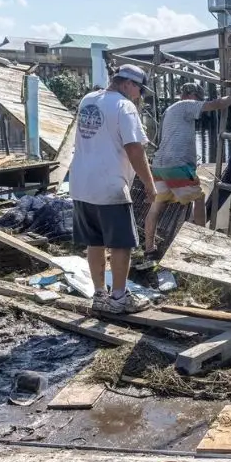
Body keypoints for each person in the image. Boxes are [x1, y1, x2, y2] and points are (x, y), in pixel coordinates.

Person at [69, 64, 156, 314]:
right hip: (109, 185)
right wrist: (149, 184)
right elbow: (135, 148)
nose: (139, 94)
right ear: (128, 84)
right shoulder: (124, 106)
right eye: (139, 88)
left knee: (94, 241)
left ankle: (99, 295)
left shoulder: (89, 99)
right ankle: (119, 298)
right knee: (121, 244)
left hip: (81, 183)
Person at [142, 82, 231, 265]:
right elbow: (215, 104)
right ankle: (200, 241)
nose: (199, 103)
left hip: (160, 165)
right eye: (197, 99)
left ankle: (150, 249)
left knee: (156, 207)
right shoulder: (184, 105)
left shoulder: (169, 110)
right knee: (199, 198)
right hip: (177, 164)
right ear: (190, 95)